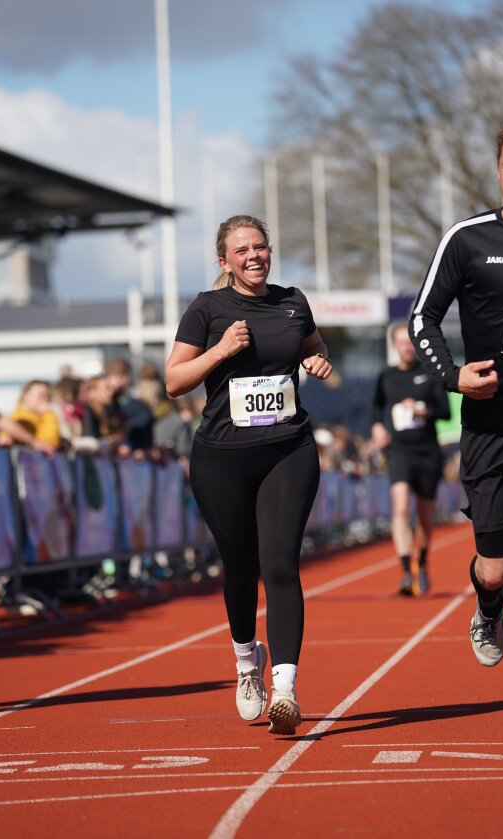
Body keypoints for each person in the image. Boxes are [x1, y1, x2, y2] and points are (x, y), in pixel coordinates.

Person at [408, 118, 503, 754]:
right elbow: (422, 318)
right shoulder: (467, 239)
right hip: (491, 427)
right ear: (499, 173)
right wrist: (454, 378)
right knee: (496, 565)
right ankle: (490, 603)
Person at [165, 214, 332, 735]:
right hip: (222, 456)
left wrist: (318, 360)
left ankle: (285, 688)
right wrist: (220, 350)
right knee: (240, 569)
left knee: (280, 564)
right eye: (242, 250)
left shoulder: (292, 302)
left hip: (288, 448)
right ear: (225, 261)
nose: (254, 256)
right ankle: (246, 661)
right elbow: (174, 381)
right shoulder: (207, 308)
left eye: (260, 247)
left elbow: (314, 345)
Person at [371, 323, 450, 595]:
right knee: (401, 507)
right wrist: (377, 426)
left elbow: (446, 412)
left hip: (427, 452)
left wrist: (422, 410)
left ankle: (423, 562)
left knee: (425, 517)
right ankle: (406, 571)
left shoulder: (429, 374)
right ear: (395, 345)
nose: (406, 347)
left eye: (410, 343)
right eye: (402, 343)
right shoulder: (387, 376)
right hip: (399, 451)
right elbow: (376, 407)